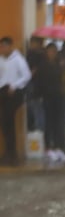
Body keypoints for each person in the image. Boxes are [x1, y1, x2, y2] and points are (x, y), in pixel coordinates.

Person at [0, 36, 33, 166]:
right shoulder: (1, 59)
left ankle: (12, 153)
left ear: (10, 46)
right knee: (4, 121)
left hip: (14, 93)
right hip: (3, 91)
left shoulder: (18, 59)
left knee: (8, 119)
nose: (2, 49)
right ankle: (8, 152)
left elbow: (27, 76)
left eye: (4, 46)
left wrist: (14, 85)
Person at [37, 43, 65, 162]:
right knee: (48, 123)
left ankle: (58, 147)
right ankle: (48, 148)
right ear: (47, 52)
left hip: (59, 97)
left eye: (54, 51)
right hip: (47, 98)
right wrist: (39, 95)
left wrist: (64, 68)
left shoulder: (60, 65)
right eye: (50, 51)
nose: (52, 53)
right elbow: (38, 82)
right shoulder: (42, 66)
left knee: (59, 123)